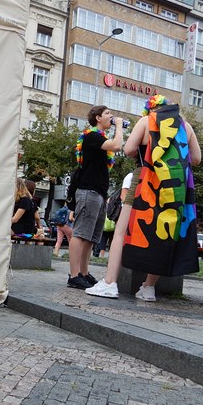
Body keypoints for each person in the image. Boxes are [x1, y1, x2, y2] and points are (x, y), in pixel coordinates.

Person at [86, 95, 201, 301]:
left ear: (151, 108)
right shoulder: (186, 127)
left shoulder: (147, 121)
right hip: (173, 187)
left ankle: (110, 283)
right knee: (162, 235)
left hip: (145, 181)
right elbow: (196, 159)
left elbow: (129, 149)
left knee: (121, 231)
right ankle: (148, 288)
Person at [67, 106, 124, 289]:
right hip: (88, 190)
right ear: (98, 118)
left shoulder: (100, 138)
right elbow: (117, 146)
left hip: (99, 192)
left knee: (91, 237)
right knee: (81, 233)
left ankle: (84, 272)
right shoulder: (92, 136)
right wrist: (120, 126)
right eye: (108, 114)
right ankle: (74, 275)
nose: (112, 116)